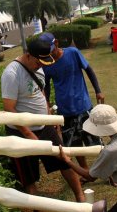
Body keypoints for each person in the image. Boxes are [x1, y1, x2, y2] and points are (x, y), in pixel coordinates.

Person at [1, 38, 85, 202]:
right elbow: (9, 108)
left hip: (44, 127)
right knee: (29, 177)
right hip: (21, 133)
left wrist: (49, 118)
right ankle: (37, 206)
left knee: (64, 160)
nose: (41, 66)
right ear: (28, 55)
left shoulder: (39, 68)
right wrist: (27, 132)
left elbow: (41, 94)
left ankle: (80, 198)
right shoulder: (11, 73)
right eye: (39, 62)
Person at [39, 32, 104, 171]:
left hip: (83, 106)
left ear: (56, 43)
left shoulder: (73, 53)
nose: (50, 55)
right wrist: (48, 106)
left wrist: (98, 91)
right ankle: (85, 171)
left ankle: (109, 173)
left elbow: (89, 70)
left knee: (95, 142)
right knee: (75, 146)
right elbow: (47, 86)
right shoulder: (46, 64)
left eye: (51, 50)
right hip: (65, 111)